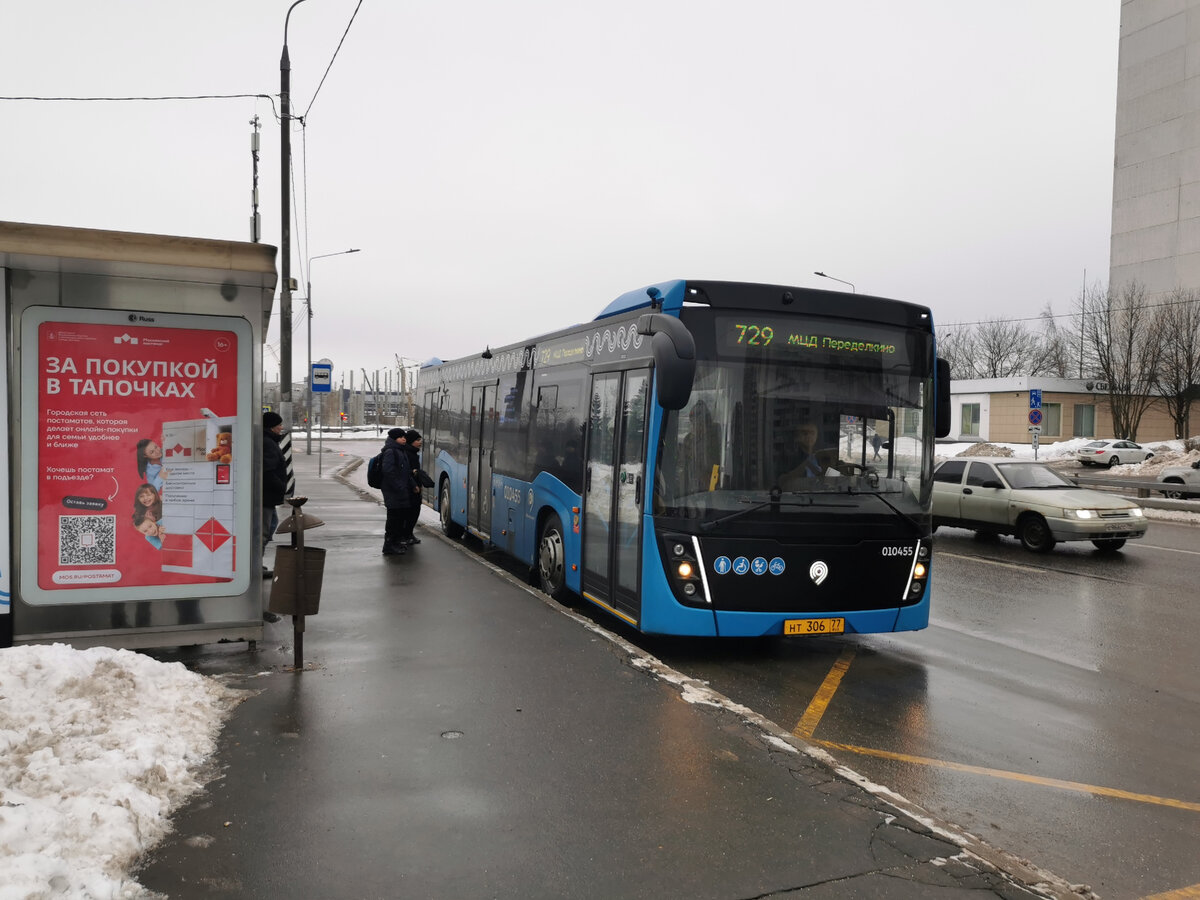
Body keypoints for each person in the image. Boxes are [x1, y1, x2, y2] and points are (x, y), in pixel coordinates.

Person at [380, 427, 416, 556]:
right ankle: (389, 545)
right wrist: (400, 487)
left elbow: (406, 472)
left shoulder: (401, 451)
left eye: (404, 437)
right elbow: (388, 471)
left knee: (399, 518)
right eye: (401, 437)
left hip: (400, 490)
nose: (404, 439)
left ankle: (395, 542)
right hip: (393, 491)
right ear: (395, 439)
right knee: (393, 518)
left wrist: (412, 485)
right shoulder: (391, 452)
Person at [262, 411, 288, 585]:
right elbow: (268, 470)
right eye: (279, 424)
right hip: (266, 496)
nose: (281, 427)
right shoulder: (268, 443)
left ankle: (256, 562)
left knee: (270, 526)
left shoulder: (269, 441)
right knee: (264, 530)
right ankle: (254, 565)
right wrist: (281, 486)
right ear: (271, 427)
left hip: (268, 496)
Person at [399, 429, 426, 546]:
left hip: (415, 487)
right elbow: (403, 471)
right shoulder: (408, 454)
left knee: (415, 511)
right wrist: (414, 473)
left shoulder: (413, 453)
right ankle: (406, 535)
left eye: (420, 439)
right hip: (409, 488)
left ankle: (409, 534)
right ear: (411, 441)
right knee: (411, 512)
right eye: (417, 440)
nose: (420, 442)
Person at [779, 421, 824, 487]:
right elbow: (782, 482)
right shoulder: (788, 457)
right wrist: (805, 465)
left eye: (812, 433)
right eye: (805, 433)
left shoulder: (823, 455)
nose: (809, 436)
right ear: (797, 437)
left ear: (816, 436)